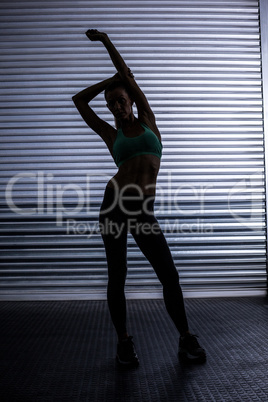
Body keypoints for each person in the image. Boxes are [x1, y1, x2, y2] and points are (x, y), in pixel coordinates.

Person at [72, 29, 206, 367]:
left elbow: (128, 76)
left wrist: (105, 42)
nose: (117, 106)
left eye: (121, 100)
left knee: (168, 274)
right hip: (114, 206)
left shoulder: (148, 121)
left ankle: (186, 337)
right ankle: (124, 343)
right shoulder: (110, 134)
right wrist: (110, 80)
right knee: (118, 275)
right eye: (112, 103)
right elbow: (79, 101)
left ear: (132, 102)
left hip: (143, 210)